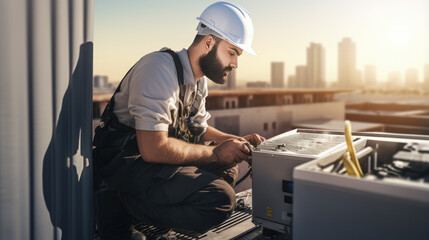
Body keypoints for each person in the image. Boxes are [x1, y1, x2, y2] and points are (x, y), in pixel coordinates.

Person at [93, 2, 265, 239]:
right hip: (124, 164)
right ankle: (120, 206)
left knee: (228, 167)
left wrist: (236, 142)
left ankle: (152, 211)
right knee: (220, 199)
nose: (235, 63)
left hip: (148, 163)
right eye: (232, 52)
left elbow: (199, 129)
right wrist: (216, 154)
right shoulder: (158, 68)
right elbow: (153, 148)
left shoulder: (197, 82)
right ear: (208, 43)